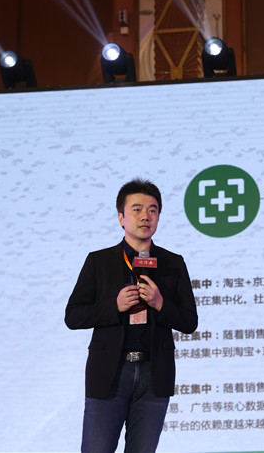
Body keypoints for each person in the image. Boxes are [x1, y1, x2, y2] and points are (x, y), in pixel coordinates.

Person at [65, 178, 198, 452]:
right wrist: (114, 306)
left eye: (152, 210)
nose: (145, 216)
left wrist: (161, 304)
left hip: (154, 375)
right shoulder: (99, 261)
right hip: (110, 373)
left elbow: (189, 321)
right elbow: (73, 316)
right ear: (121, 218)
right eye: (137, 209)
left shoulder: (173, 263)